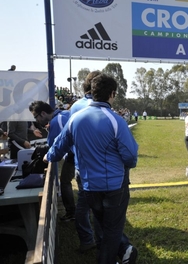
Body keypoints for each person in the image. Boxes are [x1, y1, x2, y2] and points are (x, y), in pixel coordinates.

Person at [44, 74, 139, 264]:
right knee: (112, 230)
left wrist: (47, 157)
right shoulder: (116, 120)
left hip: (88, 186)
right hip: (114, 186)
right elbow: (130, 157)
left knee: (103, 225)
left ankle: (122, 252)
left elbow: (57, 147)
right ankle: (113, 257)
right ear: (112, 94)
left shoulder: (75, 118)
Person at [69, 70, 102, 252]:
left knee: (83, 203)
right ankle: (95, 240)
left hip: (79, 163)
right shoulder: (95, 106)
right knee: (96, 206)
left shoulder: (74, 106)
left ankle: (87, 239)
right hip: (95, 165)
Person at [28, 101, 76, 221]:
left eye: (36, 117)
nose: (36, 120)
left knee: (65, 181)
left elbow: (54, 145)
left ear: (43, 113)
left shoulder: (56, 121)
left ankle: (72, 213)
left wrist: (47, 157)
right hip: (79, 153)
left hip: (74, 155)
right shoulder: (64, 113)